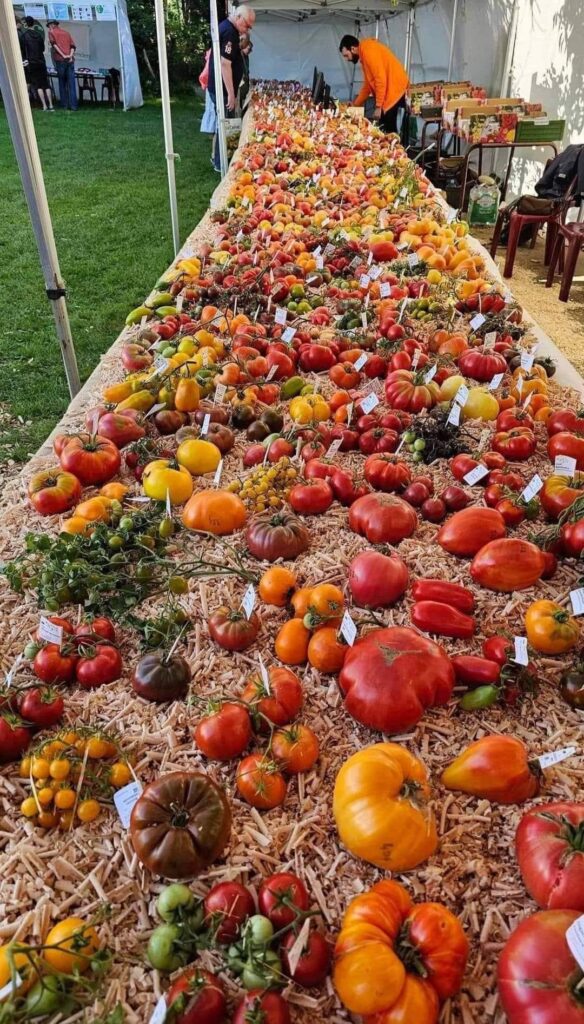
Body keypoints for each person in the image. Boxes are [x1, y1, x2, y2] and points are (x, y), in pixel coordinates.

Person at [207, 4, 255, 171]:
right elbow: (225, 64)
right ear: (239, 17)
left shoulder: (229, 29)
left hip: (220, 87)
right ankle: (221, 164)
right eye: (247, 25)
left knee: (223, 123)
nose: (247, 29)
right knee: (224, 124)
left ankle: (219, 160)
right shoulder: (229, 32)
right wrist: (231, 94)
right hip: (221, 89)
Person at [339, 34, 409, 135]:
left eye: (346, 55)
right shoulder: (364, 54)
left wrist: (378, 107)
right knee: (383, 127)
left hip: (394, 88)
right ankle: (391, 147)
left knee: (387, 128)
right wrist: (355, 104)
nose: (347, 59)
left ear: (353, 49)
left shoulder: (368, 51)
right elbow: (367, 86)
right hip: (391, 88)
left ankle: (394, 148)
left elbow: (380, 79)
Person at [20, 16, 54, 111]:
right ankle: (51, 105)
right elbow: (42, 49)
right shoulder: (39, 35)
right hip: (41, 61)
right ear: (34, 24)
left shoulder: (24, 36)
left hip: (32, 62)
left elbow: (23, 50)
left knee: (38, 85)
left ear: (26, 24)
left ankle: (44, 105)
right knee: (46, 84)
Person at [47, 19, 78, 111]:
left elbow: (54, 45)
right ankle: (73, 106)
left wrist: (63, 55)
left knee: (62, 82)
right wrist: (70, 56)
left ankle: (64, 104)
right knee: (71, 83)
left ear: (51, 25)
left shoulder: (51, 32)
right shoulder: (66, 33)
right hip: (70, 60)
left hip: (60, 60)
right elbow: (73, 46)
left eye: (48, 25)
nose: (48, 27)